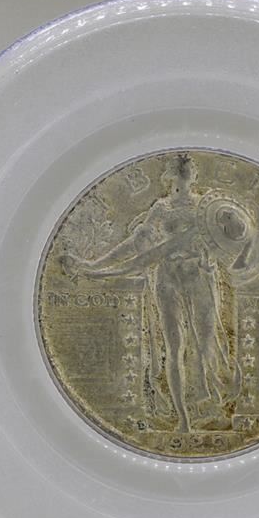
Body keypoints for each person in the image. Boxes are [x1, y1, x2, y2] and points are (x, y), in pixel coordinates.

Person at [63, 153, 241, 433]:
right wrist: (95, 265)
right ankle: (182, 419)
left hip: (199, 277)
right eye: (180, 173)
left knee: (207, 345)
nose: (184, 178)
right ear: (172, 176)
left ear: (191, 176)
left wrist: (210, 258)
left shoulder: (207, 207)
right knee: (174, 347)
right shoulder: (161, 208)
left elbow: (229, 242)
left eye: (187, 173)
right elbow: (136, 244)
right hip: (168, 277)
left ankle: (215, 406)